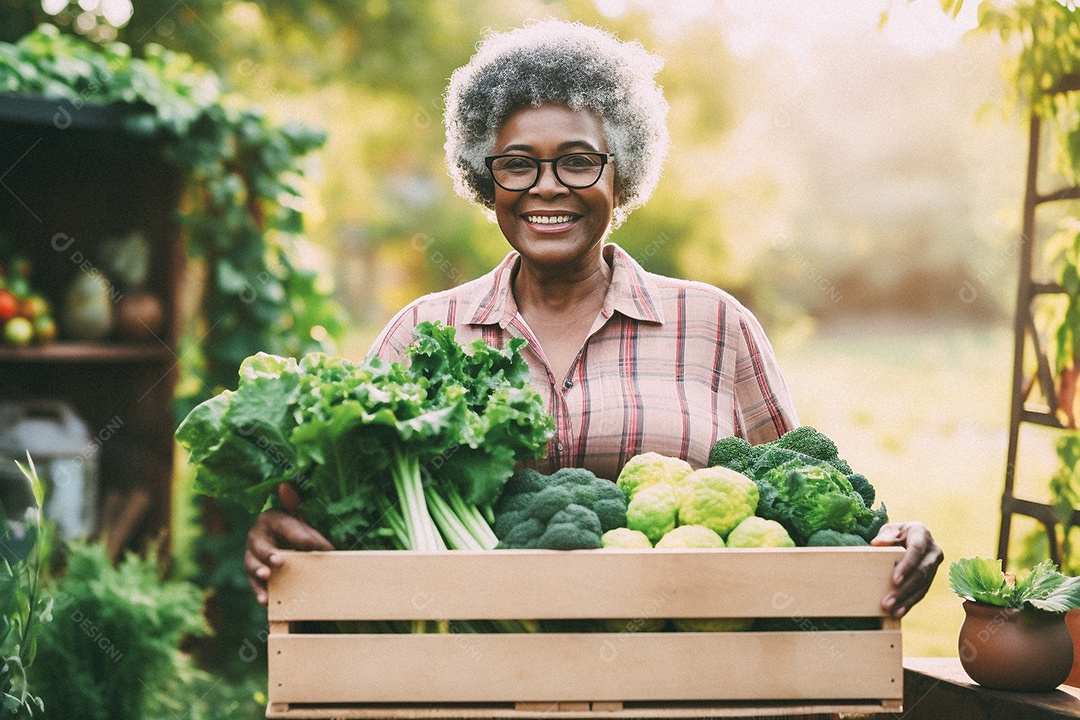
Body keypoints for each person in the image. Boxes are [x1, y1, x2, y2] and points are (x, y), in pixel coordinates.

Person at [245, 19, 942, 620]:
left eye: (578, 162)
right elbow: (337, 520)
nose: (548, 186)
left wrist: (885, 542)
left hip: (691, 686)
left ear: (623, 173)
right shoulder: (421, 334)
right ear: (486, 181)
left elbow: (805, 501)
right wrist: (278, 530)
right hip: (463, 679)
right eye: (518, 165)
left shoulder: (713, 324)